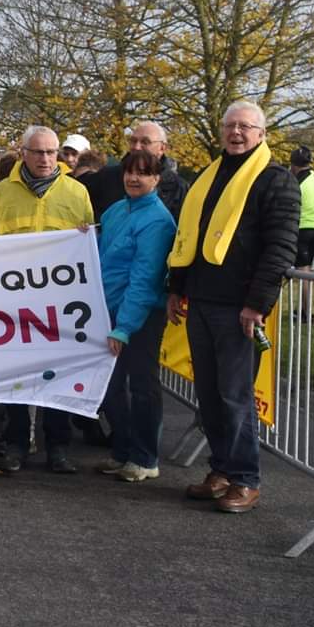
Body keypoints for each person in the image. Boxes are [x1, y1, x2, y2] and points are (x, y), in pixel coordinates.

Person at [167, 101, 298, 514]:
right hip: (201, 300)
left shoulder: (276, 181)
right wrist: (177, 288)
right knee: (208, 394)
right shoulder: (210, 175)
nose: (236, 133)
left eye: (245, 126)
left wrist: (257, 304)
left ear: (262, 133)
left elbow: (280, 249)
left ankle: (245, 478)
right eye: (230, 126)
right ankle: (220, 470)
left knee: (235, 396)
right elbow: (189, 238)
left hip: (238, 306)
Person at [0, 125, 95, 475]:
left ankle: (56, 447)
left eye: (51, 152)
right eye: (38, 152)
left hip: (60, 306)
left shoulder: (77, 193)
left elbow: (88, 251)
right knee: (18, 378)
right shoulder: (0, 195)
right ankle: (15, 445)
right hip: (14, 304)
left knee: (57, 378)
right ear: (24, 153)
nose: (46, 159)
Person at [92, 150, 176, 484]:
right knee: (110, 387)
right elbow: (99, 251)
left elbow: (144, 278)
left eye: (143, 173)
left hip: (139, 316)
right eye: (129, 171)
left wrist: (125, 327)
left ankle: (145, 457)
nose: (134, 178)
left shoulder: (157, 220)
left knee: (142, 386)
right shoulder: (116, 210)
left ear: (156, 178)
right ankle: (123, 450)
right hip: (109, 309)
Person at [81, 121, 189, 221]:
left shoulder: (179, 188)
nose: (137, 147)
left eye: (145, 142)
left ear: (162, 148)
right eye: (133, 141)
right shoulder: (106, 177)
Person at [290, 146, 314, 277]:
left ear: (293, 165)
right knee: (306, 266)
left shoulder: (296, 181)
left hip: (301, 228)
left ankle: (305, 298)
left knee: (301, 269)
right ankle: (304, 297)